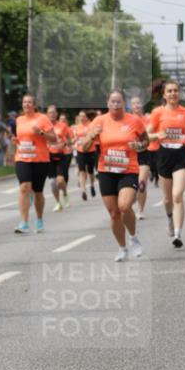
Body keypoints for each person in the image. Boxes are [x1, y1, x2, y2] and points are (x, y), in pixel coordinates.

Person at [81, 89, 148, 261]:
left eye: (119, 102)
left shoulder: (134, 121)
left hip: (128, 170)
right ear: (107, 103)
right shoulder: (99, 121)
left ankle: (134, 239)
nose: (116, 105)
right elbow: (84, 146)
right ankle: (122, 248)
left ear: (123, 103)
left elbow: (146, 141)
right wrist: (91, 137)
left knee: (124, 206)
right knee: (114, 214)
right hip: (106, 171)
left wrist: (138, 146)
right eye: (112, 102)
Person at [147, 80, 185, 248]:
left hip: (181, 154)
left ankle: (177, 233)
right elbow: (148, 135)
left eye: (176, 90)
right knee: (167, 198)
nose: (173, 93)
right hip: (164, 155)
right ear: (164, 94)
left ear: (179, 93)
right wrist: (158, 135)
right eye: (170, 91)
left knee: (177, 195)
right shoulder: (157, 113)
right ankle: (169, 219)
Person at [11, 94, 57, 234]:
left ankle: (39, 219)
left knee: (38, 192)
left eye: (30, 102)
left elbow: (54, 138)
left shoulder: (42, 119)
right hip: (22, 158)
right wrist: (16, 141)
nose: (27, 105)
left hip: (40, 160)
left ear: (35, 105)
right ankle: (24, 223)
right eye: (25, 102)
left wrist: (41, 133)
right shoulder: (19, 120)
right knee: (24, 187)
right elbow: (21, 137)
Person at [46, 105, 72, 211]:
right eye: (50, 112)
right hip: (49, 156)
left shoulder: (63, 126)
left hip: (62, 155)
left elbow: (69, 140)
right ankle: (58, 202)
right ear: (47, 115)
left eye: (53, 112)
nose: (52, 114)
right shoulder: (44, 127)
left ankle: (65, 194)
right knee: (53, 182)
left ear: (56, 114)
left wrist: (64, 144)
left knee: (60, 181)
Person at [130, 96, 151, 219]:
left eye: (138, 103)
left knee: (142, 182)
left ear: (142, 105)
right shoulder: (127, 119)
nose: (136, 105)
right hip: (131, 155)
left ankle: (140, 210)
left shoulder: (147, 119)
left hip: (144, 153)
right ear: (130, 106)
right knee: (132, 184)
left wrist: (140, 143)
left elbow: (149, 135)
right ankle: (131, 199)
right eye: (134, 103)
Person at [72, 110, 97, 201]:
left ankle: (92, 185)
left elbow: (93, 137)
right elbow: (75, 138)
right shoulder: (77, 127)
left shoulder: (91, 125)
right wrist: (74, 141)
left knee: (90, 171)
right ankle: (83, 190)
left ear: (87, 117)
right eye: (80, 116)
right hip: (80, 151)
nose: (82, 118)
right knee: (82, 171)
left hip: (91, 151)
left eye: (83, 116)